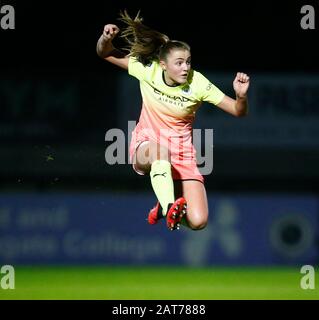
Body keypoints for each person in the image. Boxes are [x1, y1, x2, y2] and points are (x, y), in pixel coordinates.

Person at [96, 10, 249, 231]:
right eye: (179, 63)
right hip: (147, 145)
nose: (186, 67)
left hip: (182, 154)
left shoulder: (198, 83)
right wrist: (105, 38)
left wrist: (241, 96)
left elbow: (237, 111)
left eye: (188, 62)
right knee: (160, 154)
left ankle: (162, 207)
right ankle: (169, 207)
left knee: (198, 221)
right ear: (163, 64)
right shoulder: (148, 70)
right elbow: (105, 53)